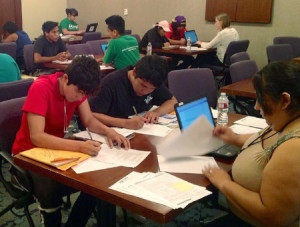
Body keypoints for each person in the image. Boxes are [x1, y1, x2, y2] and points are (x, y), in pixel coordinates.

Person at [12, 56, 129, 226]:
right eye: (79, 92)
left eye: (84, 94)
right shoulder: (41, 87)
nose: (81, 97)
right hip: (26, 155)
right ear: (65, 78)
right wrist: (79, 146)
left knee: (98, 184)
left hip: (55, 150)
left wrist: (109, 131)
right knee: (49, 190)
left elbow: (88, 120)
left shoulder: (77, 87)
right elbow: (37, 137)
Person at [203, 61, 300, 226]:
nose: (256, 106)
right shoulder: (286, 121)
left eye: (261, 99)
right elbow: (266, 143)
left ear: (284, 101)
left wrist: (224, 183)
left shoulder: (293, 148)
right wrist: (233, 139)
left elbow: (272, 215)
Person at [90, 55, 177, 130]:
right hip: (113, 132)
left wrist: (156, 112)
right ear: (134, 72)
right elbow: (91, 115)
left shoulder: (153, 80)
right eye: (143, 85)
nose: (146, 92)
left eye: (152, 89)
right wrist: (125, 123)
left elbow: (173, 101)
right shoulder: (110, 83)